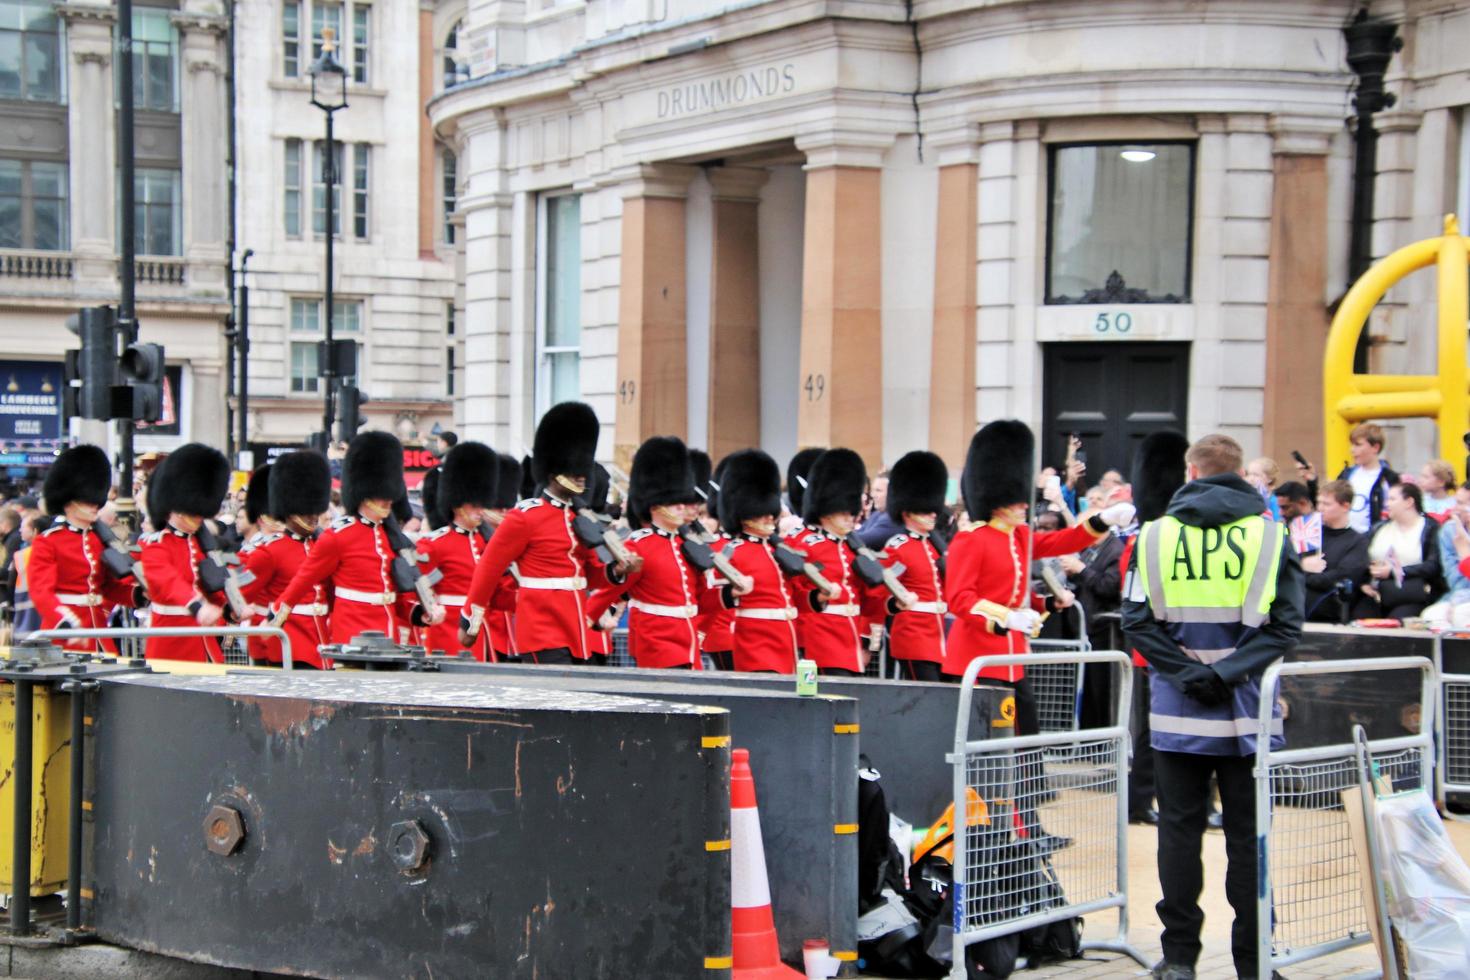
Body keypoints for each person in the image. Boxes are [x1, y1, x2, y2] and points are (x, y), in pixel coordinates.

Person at [1122, 432, 1305, 980]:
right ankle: (1254, 965)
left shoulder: (1153, 537)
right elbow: (1285, 627)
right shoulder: (1272, 538)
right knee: (1249, 840)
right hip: (1248, 708)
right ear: (1242, 474)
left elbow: (1136, 622)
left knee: (1178, 835)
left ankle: (1179, 960)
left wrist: (1188, 675)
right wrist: (1225, 673)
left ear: (1191, 473)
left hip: (1177, 712)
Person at [460, 402, 635, 664]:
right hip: (541, 627)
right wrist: (471, 620)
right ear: (554, 472)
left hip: (576, 629)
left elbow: (589, 574)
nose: (581, 477)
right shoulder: (525, 517)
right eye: (574, 471)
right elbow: (488, 568)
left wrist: (616, 571)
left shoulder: (578, 518)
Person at [273, 431, 435, 646]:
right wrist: (276, 618)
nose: (388, 501)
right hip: (352, 634)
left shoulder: (391, 537)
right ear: (366, 492)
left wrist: (417, 612)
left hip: (389, 634)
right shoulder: (339, 536)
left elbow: (396, 589)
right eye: (382, 494)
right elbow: (304, 581)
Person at [587, 437, 716, 669]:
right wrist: (591, 618)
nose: (681, 507)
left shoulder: (686, 545)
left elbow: (703, 597)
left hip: (688, 642)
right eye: (674, 502)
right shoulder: (640, 545)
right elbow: (612, 589)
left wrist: (730, 596)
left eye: (682, 502)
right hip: (658, 642)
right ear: (655, 506)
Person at [1118, 429, 1191, 827]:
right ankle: (1139, 800)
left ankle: (1160, 798)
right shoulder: (1143, 540)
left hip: (1181, 648)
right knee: (1151, 732)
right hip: (1154, 651)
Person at [28, 445, 137, 653]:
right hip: (64, 633)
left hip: (98, 632)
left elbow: (107, 586)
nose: (95, 505)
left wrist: (136, 595)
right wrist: (65, 622)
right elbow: (42, 592)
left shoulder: (99, 541)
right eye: (87, 500)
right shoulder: (48, 541)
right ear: (69, 502)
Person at [791, 449, 886, 676]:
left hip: (851, 640)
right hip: (820, 640)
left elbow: (871, 597)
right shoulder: (802, 543)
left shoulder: (851, 547)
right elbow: (795, 593)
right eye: (843, 511)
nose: (850, 517)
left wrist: (868, 641)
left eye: (850, 511)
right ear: (825, 510)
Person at [237, 452, 333, 668]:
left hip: (322, 640)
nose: (313, 515)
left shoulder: (322, 547)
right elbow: (240, 593)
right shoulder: (270, 552)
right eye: (306, 509)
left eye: (314, 509)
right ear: (289, 510)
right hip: (290, 642)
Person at [139, 443, 233, 662]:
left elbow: (211, 583)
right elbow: (167, 581)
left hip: (205, 643)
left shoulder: (199, 543)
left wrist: (230, 608)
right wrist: (195, 605)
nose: (200, 518)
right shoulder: (156, 544)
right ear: (177, 507)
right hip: (172, 644)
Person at [715, 449, 806, 673]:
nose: (769, 517)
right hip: (755, 646)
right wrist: (732, 593)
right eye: (761, 511)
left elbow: (795, 596)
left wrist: (818, 596)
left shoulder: (779, 550)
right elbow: (709, 600)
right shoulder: (731, 552)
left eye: (770, 511)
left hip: (786, 643)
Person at [416, 441, 499, 660]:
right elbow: (421, 585)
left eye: (482, 504)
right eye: (474, 505)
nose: (480, 511)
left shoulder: (486, 542)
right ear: (457, 504)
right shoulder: (435, 544)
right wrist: (431, 610)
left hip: (482, 630)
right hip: (449, 632)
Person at [879, 450, 950, 681]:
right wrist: (895, 602)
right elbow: (881, 589)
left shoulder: (935, 546)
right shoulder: (898, 547)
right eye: (925, 510)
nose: (933, 514)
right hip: (914, 636)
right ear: (908, 511)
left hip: (939, 635)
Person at [1353, 482, 1443, 620]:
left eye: (1392, 499)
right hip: (1375, 593)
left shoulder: (1430, 528)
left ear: (1409, 502)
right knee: (1360, 621)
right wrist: (1363, 582)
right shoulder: (1379, 528)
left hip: (1411, 595)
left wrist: (1395, 571)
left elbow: (1432, 566)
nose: (1387, 503)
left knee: (1396, 624)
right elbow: (1359, 556)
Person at [1301, 479, 1369, 623]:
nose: (1320, 508)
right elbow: (1289, 565)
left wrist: (1304, 574)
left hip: (1329, 606)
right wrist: (1302, 565)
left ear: (1345, 506)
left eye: (1326, 504)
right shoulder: (1310, 534)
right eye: (1319, 503)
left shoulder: (1357, 541)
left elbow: (1343, 575)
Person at [481, 453, 524, 661]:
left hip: (514, 625)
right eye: (500, 509)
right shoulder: (482, 536)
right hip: (490, 623)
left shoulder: (515, 530)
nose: (503, 512)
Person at [1336, 421, 1399, 534]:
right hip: (1346, 537)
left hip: (1374, 538)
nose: (1352, 450)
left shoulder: (1389, 478)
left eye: (1358, 445)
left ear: (1375, 447)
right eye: (1352, 445)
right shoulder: (1347, 474)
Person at [1244, 457, 1283, 521]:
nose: (1250, 478)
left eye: (1256, 475)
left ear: (1269, 479)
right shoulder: (1246, 497)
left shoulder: (1276, 501)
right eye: (1248, 474)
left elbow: (1278, 523)